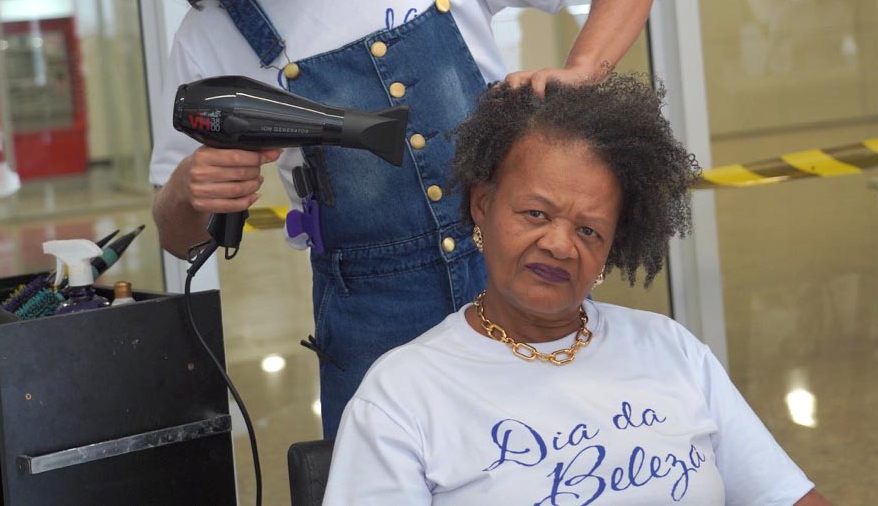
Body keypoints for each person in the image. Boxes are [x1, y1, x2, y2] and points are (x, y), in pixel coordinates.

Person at [121, 0, 670, 438]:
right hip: (371, 319)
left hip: (512, 277)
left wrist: (585, 69)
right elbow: (176, 235)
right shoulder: (214, 34)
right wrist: (190, 192)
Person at [324, 75, 831, 506]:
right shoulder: (403, 393)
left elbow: (785, 497)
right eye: (536, 214)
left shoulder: (670, 349)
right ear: (482, 206)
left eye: (589, 230)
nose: (560, 245)